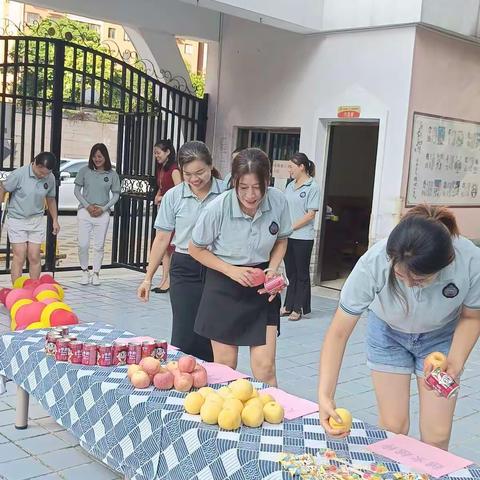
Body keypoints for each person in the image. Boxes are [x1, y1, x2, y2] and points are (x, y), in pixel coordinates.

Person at [318, 205, 480, 450]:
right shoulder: (374, 262)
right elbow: (338, 332)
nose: (411, 285)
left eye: (420, 279)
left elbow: (472, 317)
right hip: (388, 335)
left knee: (437, 434)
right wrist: (325, 395)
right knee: (394, 428)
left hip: (440, 338)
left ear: (445, 264)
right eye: (402, 277)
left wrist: (455, 363)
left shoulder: (469, 260)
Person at [189, 148, 292, 386]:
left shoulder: (278, 201)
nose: (251, 194)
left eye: (257, 187)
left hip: (261, 289)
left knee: (265, 368)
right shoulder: (218, 207)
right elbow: (196, 249)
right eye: (243, 187)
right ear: (234, 182)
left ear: (267, 181)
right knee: (226, 367)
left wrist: (274, 268)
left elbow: (281, 239)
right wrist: (232, 271)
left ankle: (272, 416)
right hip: (224, 284)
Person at [137, 141, 224, 361]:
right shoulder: (174, 196)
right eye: (188, 174)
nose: (195, 179)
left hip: (218, 267)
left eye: (200, 172)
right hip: (185, 266)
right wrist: (148, 278)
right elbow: (162, 238)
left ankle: (211, 385)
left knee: (214, 332)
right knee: (185, 332)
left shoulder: (226, 193)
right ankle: (184, 379)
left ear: (211, 165)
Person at [0, 152, 60, 284]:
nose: (44, 176)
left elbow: (50, 199)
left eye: (47, 173)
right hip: (17, 219)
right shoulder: (19, 175)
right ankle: (17, 289)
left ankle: (34, 287)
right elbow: (3, 188)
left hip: (36, 220)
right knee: (20, 256)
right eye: (41, 172)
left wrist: (55, 220)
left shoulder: (49, 177)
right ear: (35, 164)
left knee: (34, 256)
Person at [281, 153, 320, 321]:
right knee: (291, 272)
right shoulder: (290, 186)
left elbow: (310, 215)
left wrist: (291, 227)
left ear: (301, 166)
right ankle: (288, 305)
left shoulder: (313, 187)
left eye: (291, 166)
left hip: (303, 237)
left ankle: (299, 308)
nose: (289, 170)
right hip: (288, 236)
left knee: (302, 273)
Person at [74, 143, 120, 286]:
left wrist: (104, 208)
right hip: (85, 211)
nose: (97, 159)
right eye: (94, 156)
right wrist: (87, 206)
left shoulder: (112, 174)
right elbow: (77, 191)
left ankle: (96, 273)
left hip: (103, 213)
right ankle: (84, 271)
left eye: (100, 156)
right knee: (83, 244)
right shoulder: (84, 171)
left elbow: (116, 195)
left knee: (99, 245)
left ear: (105, 157)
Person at [152, 140, 181, 293]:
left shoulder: (174, 169)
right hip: (163, 209)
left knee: (170, 247)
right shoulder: (161, 168)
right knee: (164, 249)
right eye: (155, 153)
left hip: (173, 212)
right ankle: (163, 279)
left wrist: (162, 198)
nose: (156, 155)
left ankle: (169, 280)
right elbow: (161, 187)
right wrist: (157, 196)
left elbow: (179, 190)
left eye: (158, 152)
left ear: (168, 152)